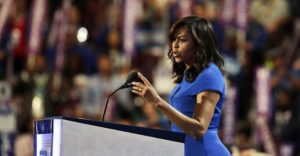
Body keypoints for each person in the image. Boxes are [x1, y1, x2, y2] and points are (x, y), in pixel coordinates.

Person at [131, 16, 231, 156]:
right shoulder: (188, 74)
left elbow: (199, 129)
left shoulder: (209, 75)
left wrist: (157, 101)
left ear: (199, 43)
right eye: (174, 39)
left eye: (183, 40)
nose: (175, 45)